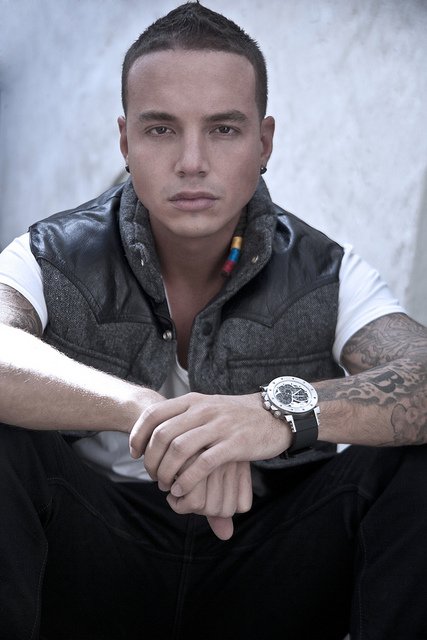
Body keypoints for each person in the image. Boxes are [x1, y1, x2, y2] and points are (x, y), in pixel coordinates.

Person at [0, 2, 426, 638]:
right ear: (125, 140)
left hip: (269, 567)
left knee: (414, 461)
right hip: (92, 559)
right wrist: (150, 412)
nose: (192, 161)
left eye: (224, 129)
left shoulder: (326, 272)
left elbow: (420, 372)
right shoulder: (50, 255)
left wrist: (272, 417)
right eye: (161, 129)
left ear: (264, 142)